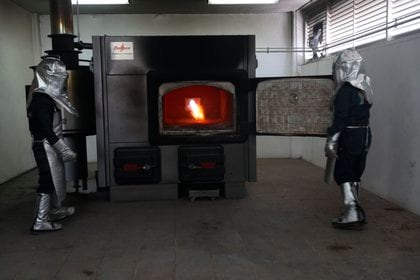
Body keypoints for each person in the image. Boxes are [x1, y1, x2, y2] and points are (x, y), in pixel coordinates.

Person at [27, 56, 78, 232]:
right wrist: (63, 150)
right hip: (45, 146)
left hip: (49, 146)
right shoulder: (42, 101)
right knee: (47, 181)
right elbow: (46, 129)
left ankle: (54, 211)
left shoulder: (43, 97)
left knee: (55, 179)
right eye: (60, 77)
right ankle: (40, 221)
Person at [324, 49, 373, 229]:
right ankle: (356, 210)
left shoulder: (346, 90)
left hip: (350, 135)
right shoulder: (365, 87)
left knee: (343, 173)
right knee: (355, 173)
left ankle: (352, 211)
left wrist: (331, 140)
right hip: (365, 134)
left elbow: (341, 118)